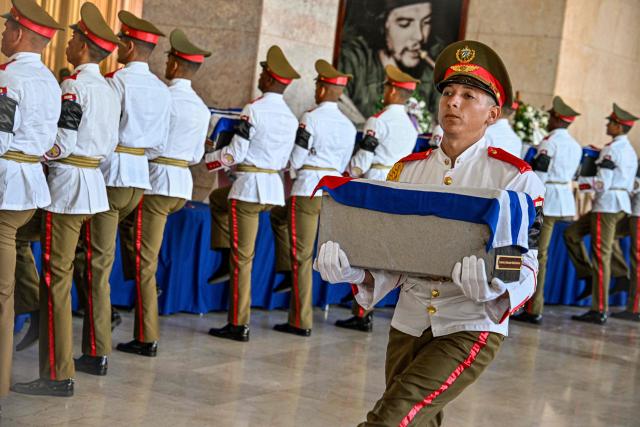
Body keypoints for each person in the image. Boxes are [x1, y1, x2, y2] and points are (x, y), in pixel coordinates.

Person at [316, 40, 544, 426]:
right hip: (409, 320)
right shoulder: (406, 171)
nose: (453, 101)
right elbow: (395, 255)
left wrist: (495, 287)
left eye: (468, 95)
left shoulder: (515, 178)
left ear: (492, 114)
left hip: (470, 323)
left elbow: (525, 263)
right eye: (449, 92)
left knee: (390, 419)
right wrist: (357, 273)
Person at [11, 2, 120, 396]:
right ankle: (97, 352)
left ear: (84, 46)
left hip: (67, 189)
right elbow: (108, 146)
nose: (70, 44)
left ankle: (57, 374)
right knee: (86, 270)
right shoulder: (108, 87)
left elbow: (63, 142)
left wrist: (38, 150)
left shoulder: (74, 87)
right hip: (93, 185)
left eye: (74, 39)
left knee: (57, 279)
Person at [70, 10, 170, 360]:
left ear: (128, 44)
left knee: (97, 261)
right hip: (140, 177)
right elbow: (160, 144)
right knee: (126, 257)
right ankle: (134, 329)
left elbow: (101, 130)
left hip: (111, 174)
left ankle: (96, 349)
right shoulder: (161, 89)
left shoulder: (115, 81)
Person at [117, 28, 211, 352]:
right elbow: (199, 155)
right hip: (181, 185)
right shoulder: (201, 107)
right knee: (142, 246)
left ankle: (146, 336)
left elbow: (151, 143)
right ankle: (148, 291)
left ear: (173, 64)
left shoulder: (164, 95)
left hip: (157, 182)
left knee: (145, 261)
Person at [205, 45, 299, 342]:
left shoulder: (254, 110)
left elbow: (236, 153)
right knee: (220, 205)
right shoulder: (291, 117)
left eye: (262, 73)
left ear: (270, 79)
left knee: (242, 259)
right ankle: (223, 255)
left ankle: (238, 322)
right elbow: (286, 162)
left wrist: (210, 157)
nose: (259, 76)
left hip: (248, 189)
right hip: (271, 191)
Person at [0, 0, 62, 404]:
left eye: (6, 28)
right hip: (28, 187)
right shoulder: (52, 82)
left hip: (6, 186)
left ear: (19, 33)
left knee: (2, 295)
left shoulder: (10, 78)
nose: (3, 34)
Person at [269, 60, 356, 336]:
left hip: (307, 188)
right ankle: (296, 297)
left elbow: (297, 156)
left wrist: (292, 169)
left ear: (323, 89)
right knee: (290, 232)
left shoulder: (311, 118)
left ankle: (300, 319)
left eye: (319, 84)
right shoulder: (349, 126)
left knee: (301, 256)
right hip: (330, 193)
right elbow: (344, 163)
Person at [335, 64, 418, 333]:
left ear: (393, 90)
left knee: (363, 249)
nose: (383, 91)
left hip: (375, 183)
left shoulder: (378, 121)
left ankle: (362, 311)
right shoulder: (411, 125)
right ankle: (367, 306)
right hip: (399, 185)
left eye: (385, 87)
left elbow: (364, 159)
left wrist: (347, 174)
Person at [564, 103, 638, 325]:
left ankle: (600, 308)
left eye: (610, 122)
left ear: (618, 126)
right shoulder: (629, 151)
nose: (607, 125)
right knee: (572, 233)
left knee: (601, 256)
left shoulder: (612, 150)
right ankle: (596, 276)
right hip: (621, 204)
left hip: (606, 206)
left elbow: (602, 183)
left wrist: (581, 182)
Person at [512, 96, 582, 324]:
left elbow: (538, 178)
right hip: (563, 198)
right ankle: (534, 305)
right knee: (542, 253)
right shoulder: (575, 145)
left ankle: (534, 307)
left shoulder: (548, 143)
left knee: (538, 254)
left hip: (547, 199)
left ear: (555, 119)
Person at [339, 0, 438, 118]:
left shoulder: (434, 66)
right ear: (382, 24)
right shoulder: (353, 59)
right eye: (405, 23)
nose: (419, 36)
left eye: (427, 22)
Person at [610, 162, 640, 322]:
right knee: (610, 237)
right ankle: (621, 275)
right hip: (632, 209)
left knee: (638, 259)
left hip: (638, 211)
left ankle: (635, 308)